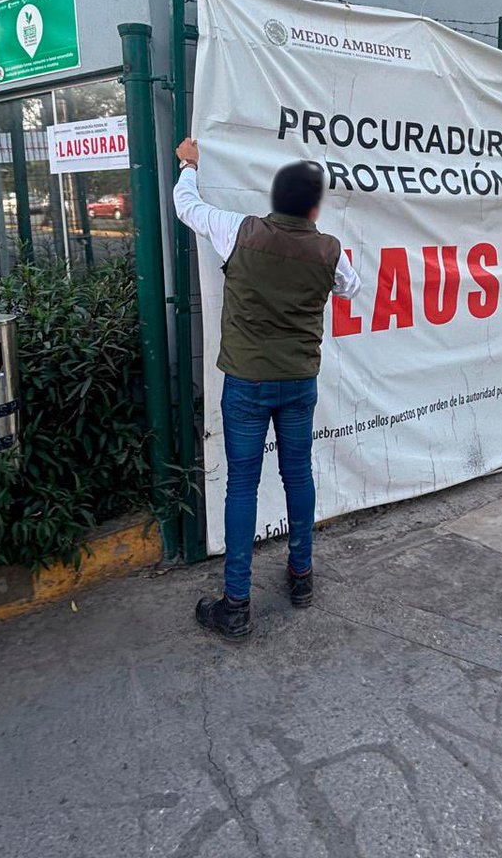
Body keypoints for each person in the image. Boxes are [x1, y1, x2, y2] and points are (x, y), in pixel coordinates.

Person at [173, 137, 361, 642]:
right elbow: (351, 287)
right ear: (314, 208)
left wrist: (189, 164)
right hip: (298, 383)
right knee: (298, 475)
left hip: (246, 383)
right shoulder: (328, 250)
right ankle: (301, 577)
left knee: (242, 485)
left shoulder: (239, 230)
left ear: (274, 200)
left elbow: (186, 206)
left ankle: (236, 605)